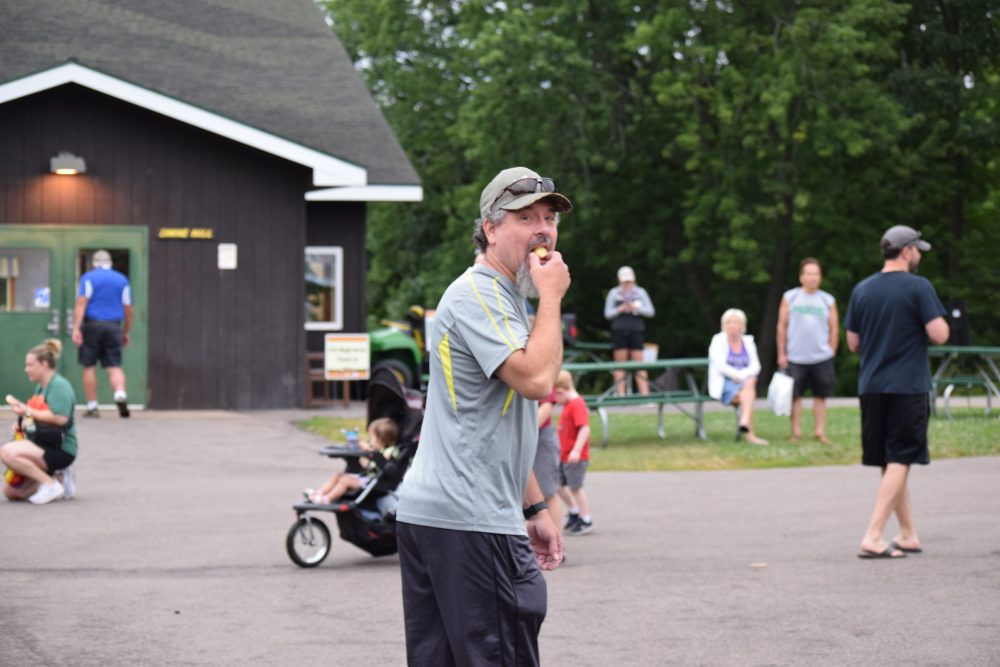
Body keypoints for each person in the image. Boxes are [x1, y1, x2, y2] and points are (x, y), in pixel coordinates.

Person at [395, 166, 570, 666]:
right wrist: (553, 296)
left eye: (549, 217)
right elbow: (536, 380)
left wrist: (534, 508)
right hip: (470, 523)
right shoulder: (481, 294)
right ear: (490, 229)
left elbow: (491, 423)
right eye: (525, 217)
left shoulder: (506, 299)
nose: (543, 229)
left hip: (444, 516)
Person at [844, 225, 949, 559]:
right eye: (918, 249)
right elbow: (940, 334)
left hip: (872, 386)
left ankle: (908, 534)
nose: (919, 255)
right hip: (907, 386)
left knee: (891, 460)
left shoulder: (862, 289)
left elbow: (853, 343)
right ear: (907, 251)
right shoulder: (919, 287)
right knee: (902, 456)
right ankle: (874, 535)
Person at [1, 340, 78, 504]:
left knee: (6, 452)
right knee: (12, 492)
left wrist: (27, 410)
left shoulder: (59, 386)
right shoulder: (40, 387)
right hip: (42, 443)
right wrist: (22, 425)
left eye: (30, 365)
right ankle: (60, 480)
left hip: (61, 449)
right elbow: (35, 417)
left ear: (44, 364)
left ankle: (49, 484)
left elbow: (60, 418)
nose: (26, 369)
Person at [776, 258, 839, 444]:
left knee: (821, 396)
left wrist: (831, 349)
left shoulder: (827, 300)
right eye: (809, 274)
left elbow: (834, 327)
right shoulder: (790, 297)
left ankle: (820, 432)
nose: (812, 278)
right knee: (796, 397)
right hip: (795, 356)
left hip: (821, 357)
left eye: (816, 274)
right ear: (801, 277)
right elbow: (782, 326)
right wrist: (781, 353)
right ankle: (796, 432)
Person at [71, 249, 133, 418]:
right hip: (114, 326)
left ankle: (92, 406)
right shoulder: (122, 280)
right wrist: (126, 332)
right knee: (114, 366)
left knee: (89, 366)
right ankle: (120, 394)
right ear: (110, 262)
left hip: (92, 326)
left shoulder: (88, 278)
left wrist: (76, 327)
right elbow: (128, 309)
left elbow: (82, 302)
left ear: (94, 263)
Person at [304, 417, 399, 504]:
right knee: (338, 475)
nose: (370, 440)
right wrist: (361, 453)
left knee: (345, 480)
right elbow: (365, 465)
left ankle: (327, 499)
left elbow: (383, 459)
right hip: (364, 477)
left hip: (372, 482)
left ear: (382, 439)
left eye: (372, 438)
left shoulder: (390, 450)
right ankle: (319, 493)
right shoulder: (375, 449)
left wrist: (368, 450)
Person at [708, 309, 768, 445]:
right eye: (729, 322)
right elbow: (719, 364)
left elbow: (756, 366)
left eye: (736, 322)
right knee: (749, 391)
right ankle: (748, 428)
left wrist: (742, 376)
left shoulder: (748, 341)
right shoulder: (718, 340)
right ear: (724, 324)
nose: (732, 325)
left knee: (750, 383)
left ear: (742, 325)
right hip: (725, 381)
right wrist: (737, 375)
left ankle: (745, 423)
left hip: (744, 382)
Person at [604, 266, 655, 396]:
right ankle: (621, 395)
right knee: (620, 365)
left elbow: (650, 312)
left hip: (636, 329)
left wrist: (636, 308)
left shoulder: (641, 292)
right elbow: (607, 314)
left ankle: (645, 396)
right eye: (624, 281)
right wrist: (619, 309)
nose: (627, 284)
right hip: (619, 330)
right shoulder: (614, 293)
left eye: (629, 281)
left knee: (639, 365)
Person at [554, 370, 593, 535]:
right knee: (557, 484)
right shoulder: (568, 405)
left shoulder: (577, 404)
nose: (555, 401)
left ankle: (585, 519)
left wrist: (576, 451)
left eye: (555, 396)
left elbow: (584, 428)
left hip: (575, 457)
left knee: (576, 487)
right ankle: (574, 511)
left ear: (560, 391)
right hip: (564, 456)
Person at [533, 390, 564, 534]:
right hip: (513, 437)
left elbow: (546, 406)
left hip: (540, 438)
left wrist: (526, 431)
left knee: (547, 492)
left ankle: (556, 547)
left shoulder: (538, 372)